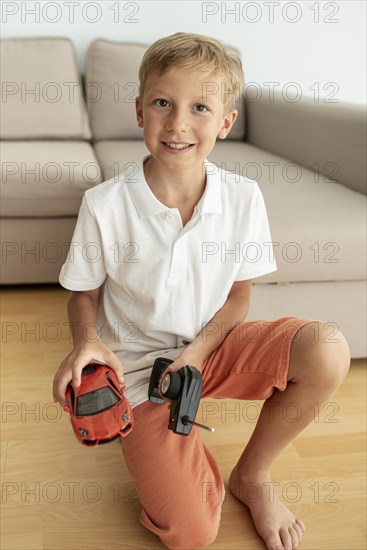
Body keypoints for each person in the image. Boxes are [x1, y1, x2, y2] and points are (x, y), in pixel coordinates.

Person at [53, 32, 350, 550]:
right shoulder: (103, 204)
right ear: (139, 109)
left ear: (226, 122)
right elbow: (83, 292)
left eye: (200, 107)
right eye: (163, 103)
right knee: (190, 534)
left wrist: (195, 354)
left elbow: (239, 296)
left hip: (213, 347)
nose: (178, 124)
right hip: (141, 370)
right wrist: (87, 343)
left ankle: (252, 477)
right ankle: (172, 441)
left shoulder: (243, 198)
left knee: (327, 348)